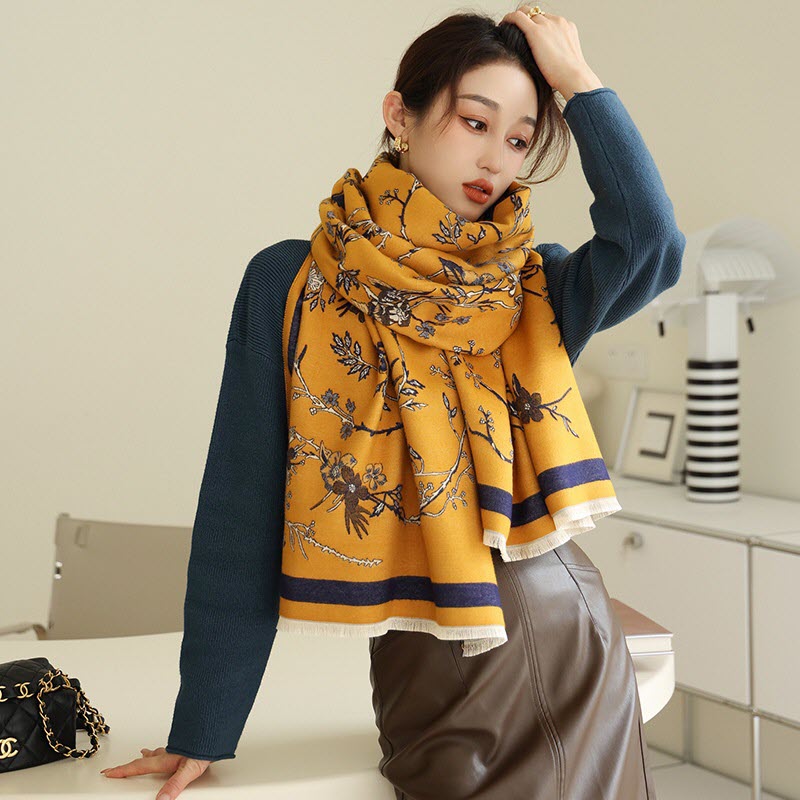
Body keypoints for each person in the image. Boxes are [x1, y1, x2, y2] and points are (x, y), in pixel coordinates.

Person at [101, 6, 683, 799]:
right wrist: (204, 726)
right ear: (399, 116)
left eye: (519, 140)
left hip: (565, 643)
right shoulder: (290, 284)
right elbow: (241, 512)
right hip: (424, 663)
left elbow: (652, 243)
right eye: (475, 122)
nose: (495, 158)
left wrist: (579, 85)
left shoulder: (530, 288)